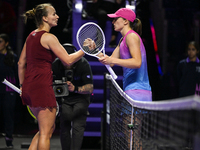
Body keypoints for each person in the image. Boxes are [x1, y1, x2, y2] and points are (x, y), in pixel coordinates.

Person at [18, 3, 94, 150]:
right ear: (45, 18)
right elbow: (68, 60)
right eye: (54, 14)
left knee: (45, 129)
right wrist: (85, 50)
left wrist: (22, 86)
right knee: (46, 133)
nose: (57, 16)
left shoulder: (31, 36)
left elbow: (21, 63)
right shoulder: (49, 37)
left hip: (29, 88)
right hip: (42, 88)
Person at [98, 8, 152, 149]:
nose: (113, 21)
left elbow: (136, 62)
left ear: (126, 21)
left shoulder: (131, 37)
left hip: (138, 92)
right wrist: (95, 50)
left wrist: (113, 61)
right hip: (132, 92)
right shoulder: (123, 39)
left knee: (132, 138)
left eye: (116, 18)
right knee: (131, 137)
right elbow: (109, 60)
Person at [52, 43, 93, 150]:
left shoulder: (84, 64)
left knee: (78, 128)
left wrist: (74, 88)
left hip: (80, 98)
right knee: (64, 126)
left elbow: (90, 88)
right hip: (64, 99)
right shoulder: (55, 64)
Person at [0, 33, 19, 148]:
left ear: (6, 43)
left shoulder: (13, 56)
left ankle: (8, 140)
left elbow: (18, 74)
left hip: (9, 90)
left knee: (8, 115)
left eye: (0, 41)